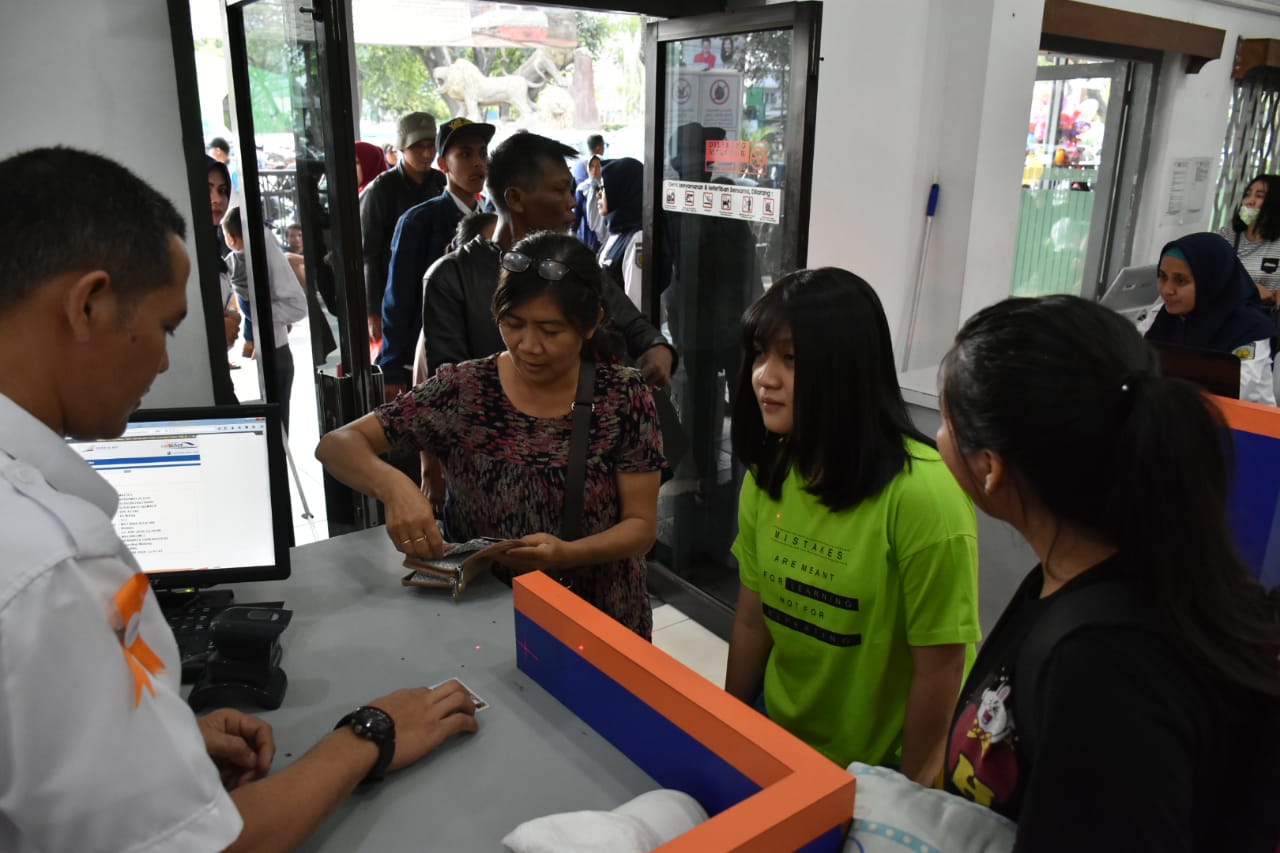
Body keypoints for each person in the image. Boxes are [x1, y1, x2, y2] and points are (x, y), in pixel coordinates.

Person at [0, 145, 479, 853]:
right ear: (90, 303)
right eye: (165, 327)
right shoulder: (48, 565)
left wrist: (148, 744)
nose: (165, 361)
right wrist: (367, 734)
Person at [936, 294, 1280, 851]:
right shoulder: (1134, 572)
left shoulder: (1103, 670)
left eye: (947, 422)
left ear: (990, 468)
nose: (940, 438)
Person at [318, 231, 665, 639]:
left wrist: (568, 554)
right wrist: (396, 487)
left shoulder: (623, 395)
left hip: (599, 616)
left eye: (551, 331)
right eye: (513, 324)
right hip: (481, 615)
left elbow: (641, 526)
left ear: (591, 326)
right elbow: (336, 445)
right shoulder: (465, 388)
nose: (529, 345)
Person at [724, 268, 980, 783]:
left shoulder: (923, 495)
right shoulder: (771, 475)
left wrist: (907, 801)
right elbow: (753, 621)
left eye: (791, 359)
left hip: (878, 768)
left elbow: (941, 669)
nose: (764, 377)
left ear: (846, 369)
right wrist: (726, 729)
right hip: (781, 733)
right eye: (760, 353)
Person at [421, 132, 675, 391]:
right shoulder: (452, 276)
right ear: (515, 199)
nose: (572, 203)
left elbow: (631, 322)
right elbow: (449, 390)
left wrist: (657, 348)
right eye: (560, 190)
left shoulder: (572, 261)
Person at [379, 117, 495, 394]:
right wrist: (393, 366)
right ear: (443, 164)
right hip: (431, 356)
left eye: (482, 153)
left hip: (481, 357)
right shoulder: (419, 221)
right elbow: (399, 298)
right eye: (465, 154)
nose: (478, 163)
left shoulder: (494, 221)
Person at [1144, 231, 1276, 405]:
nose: (1167, 289)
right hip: (1173, 416)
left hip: (1241, 425)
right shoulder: (1162, 316)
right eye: (1163, 277)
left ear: (1211, 281)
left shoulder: (1250, 329)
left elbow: (1235, 390)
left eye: (1181, 281)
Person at [360, 112, 447, 346]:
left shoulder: (442, 183)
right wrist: (372, 311)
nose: (427, 154)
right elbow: (369, 253)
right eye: (418, 147)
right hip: (396, 294)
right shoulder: (381, 189)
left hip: (437, 291)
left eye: (431, 146)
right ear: (402, 148)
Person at [221, 206, 310, 431]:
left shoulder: (263, 254)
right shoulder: (235, 262)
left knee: (277, 429)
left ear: (231, 237)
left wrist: (261, 314)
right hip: (264, 355)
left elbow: (298, 306)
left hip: (276, 354)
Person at [1220, 173, 1280, 310]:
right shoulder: (1226, 237)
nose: (1249, 201)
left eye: (1259, 196)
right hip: (1231, 314)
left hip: (1266, 321)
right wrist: (1249, 288)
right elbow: (1211, 277)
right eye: (1247, 194)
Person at [597, 157, 644, 309]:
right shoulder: (616, 232)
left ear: (620, 190)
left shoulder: (637, 238)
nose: (598, 194)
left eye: (603, 188)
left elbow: (635, 304)